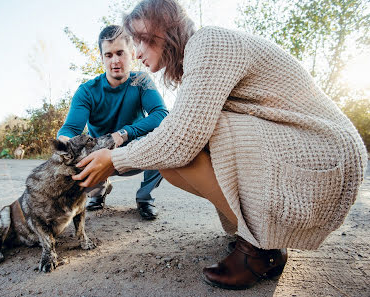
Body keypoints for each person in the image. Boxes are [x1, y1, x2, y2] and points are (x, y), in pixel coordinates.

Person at [72, 0, 368, 291]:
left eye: (139, 40)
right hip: (312, 148)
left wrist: (115, 158)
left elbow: (181, 136)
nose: (136, 53)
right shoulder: (197, 58)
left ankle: (260, 248)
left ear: (161, 28)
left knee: (186, 137)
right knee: (171, 156)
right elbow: (175, 139)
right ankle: (254, 233)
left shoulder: (209, 42)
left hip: (324, 149)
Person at [57, 25, 168, 220]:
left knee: (165, 140)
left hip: (136, 153)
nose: (115, 61)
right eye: (108, 55)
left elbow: (161, 114)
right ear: (102, 58)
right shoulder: (87, 91)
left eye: (120, 53)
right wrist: (63, 141)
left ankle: (145, 198)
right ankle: (98, 190)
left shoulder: (141, 81)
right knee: (74, 154)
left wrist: (123, 133)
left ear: (132, 54)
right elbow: (71, 128)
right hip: (101, 157)